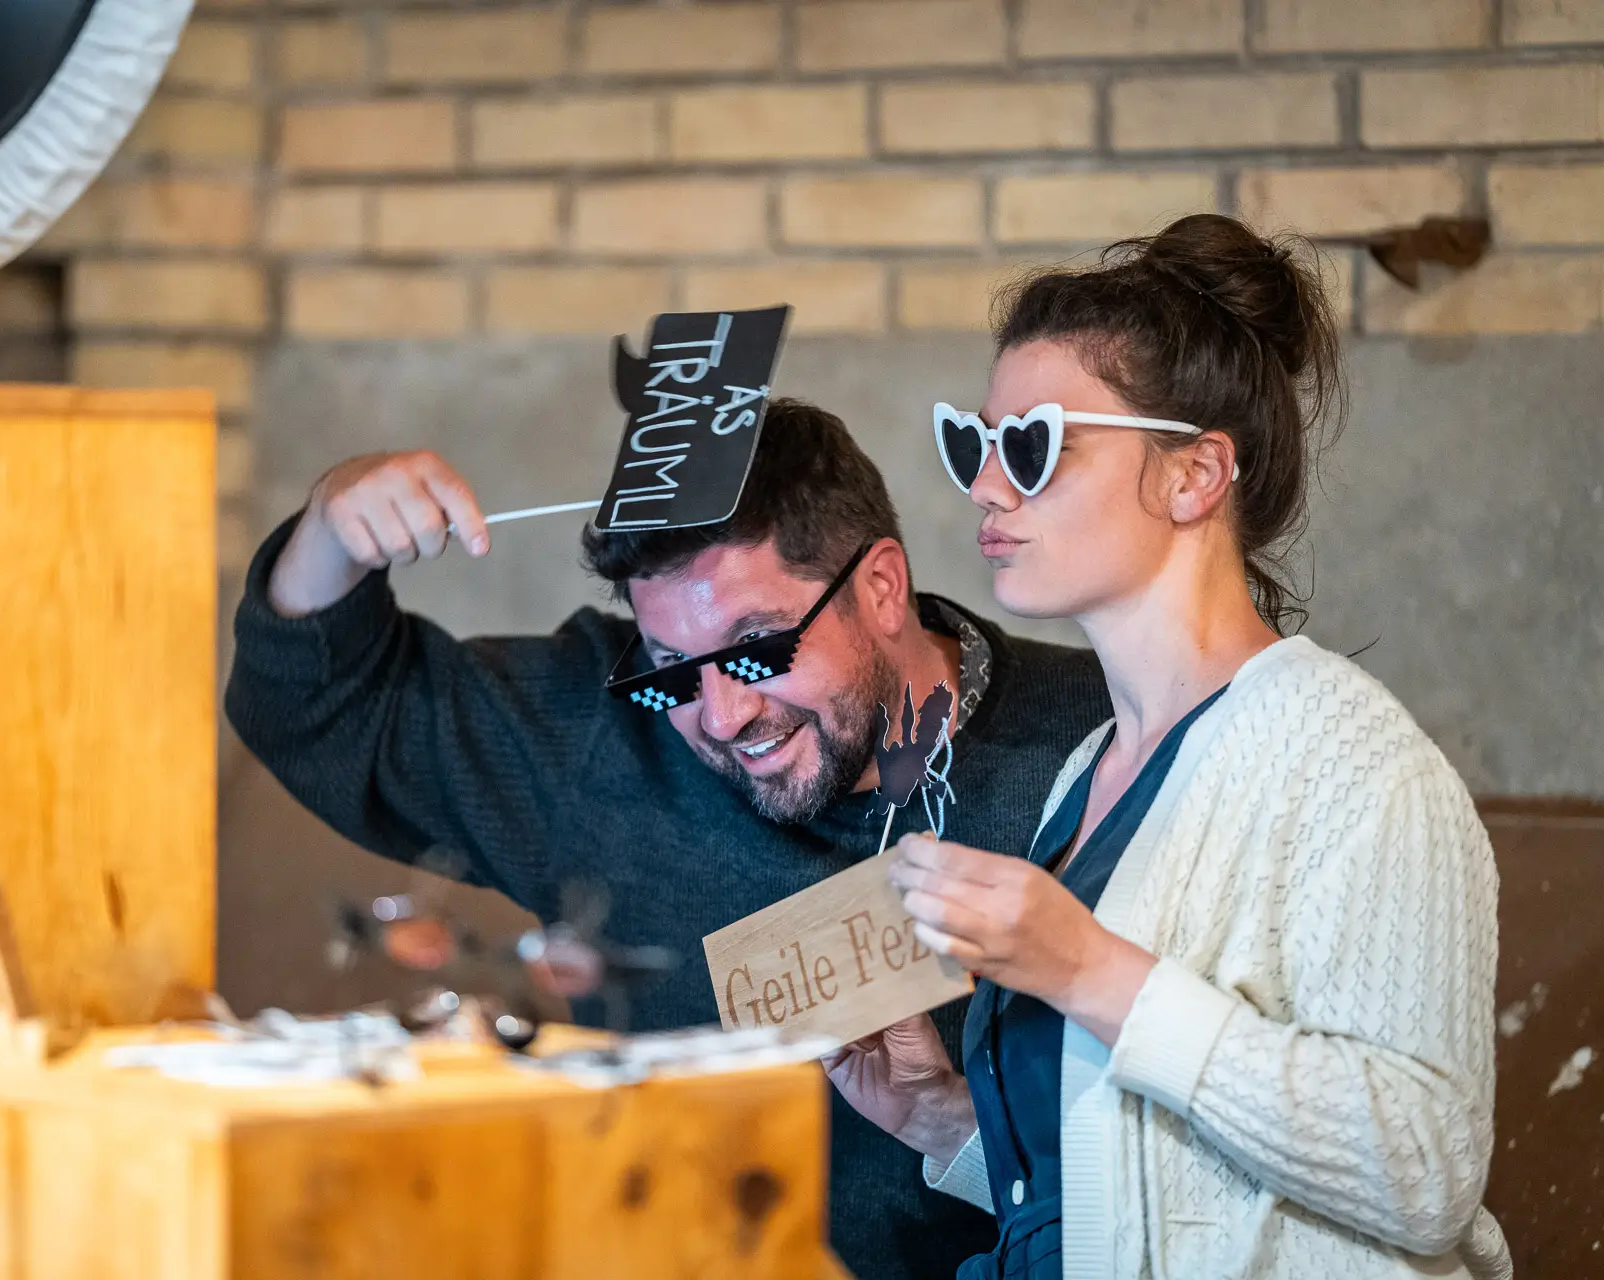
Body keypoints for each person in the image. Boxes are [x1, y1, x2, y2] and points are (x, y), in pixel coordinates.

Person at [226, 399, 1112, 1280]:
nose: (722, 716)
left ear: (880, 587)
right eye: (671, 667)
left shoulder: (1102, 746)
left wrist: (954, 1124)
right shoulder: (602, 738)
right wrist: (330, 527)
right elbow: (311, 703)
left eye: (758, 647)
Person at [826, 213, 1509, 1279]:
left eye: (1035, 445)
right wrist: (946, 1122)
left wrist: (1095, 968)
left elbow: (1426, 1169)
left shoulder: (1354, 763)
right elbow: (1124, 1183)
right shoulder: (1086, 771)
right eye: (976, 441)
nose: (988, 487)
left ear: (1195, 475)